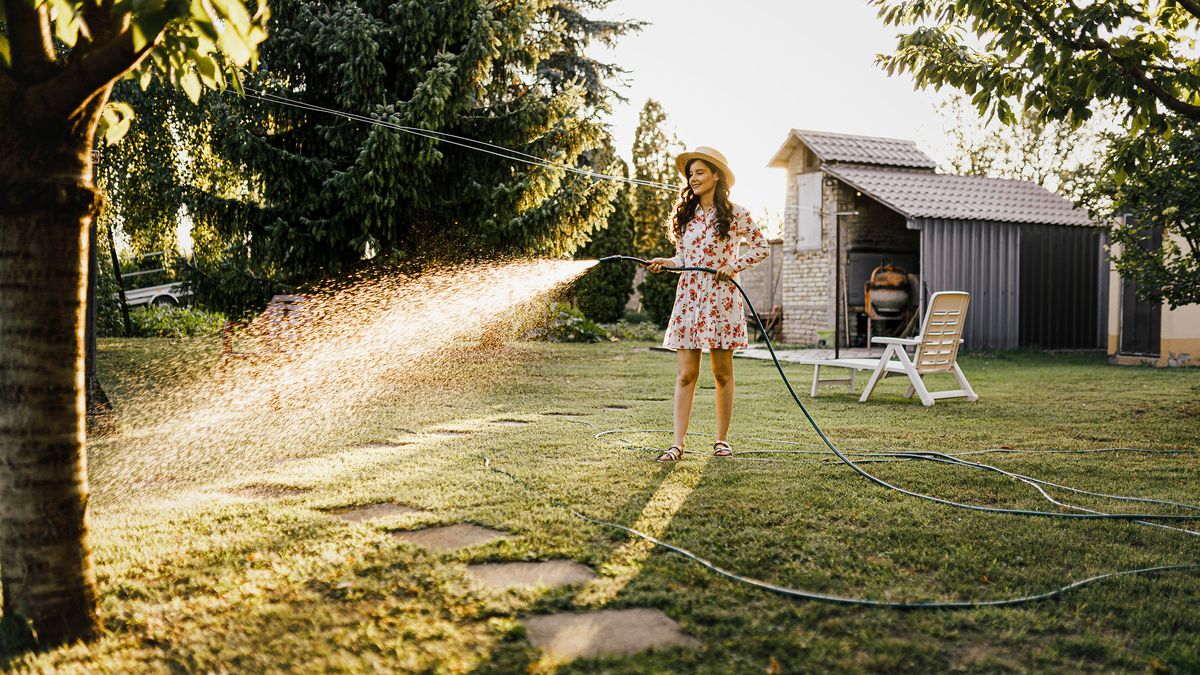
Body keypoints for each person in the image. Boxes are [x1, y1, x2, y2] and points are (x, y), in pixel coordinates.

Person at [647, 146, 769, 462]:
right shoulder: (684, 217)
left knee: (722, 374)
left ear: (717, 175)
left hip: (722, 299)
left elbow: (762, 247)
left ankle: (722, 440)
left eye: (700, 172)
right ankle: (677, 444)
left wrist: (734, 265)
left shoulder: (737, 214)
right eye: (691, 173)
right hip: (689, 299)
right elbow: (684, 258)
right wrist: (668, 262)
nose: (694, 178)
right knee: (686, 373)